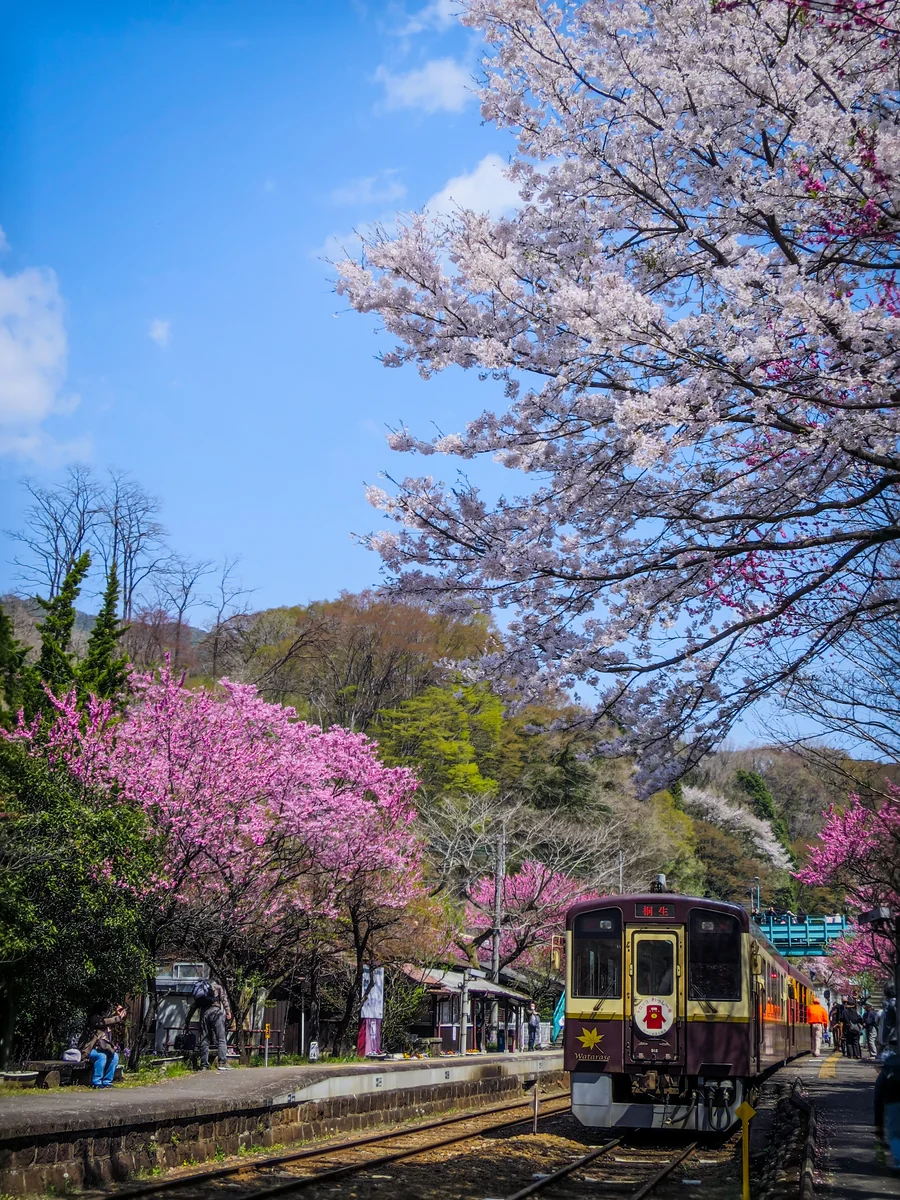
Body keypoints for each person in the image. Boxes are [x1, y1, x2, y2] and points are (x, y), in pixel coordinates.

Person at [185, 977, 233, 1071]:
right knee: (221, 1039)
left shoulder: (202, 991)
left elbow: (193, 1007)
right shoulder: (218, 987)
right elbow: (224, 999)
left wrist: (187, 1021)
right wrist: (228, 1012)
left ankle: (204, 1065)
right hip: (216, 1014)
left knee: (204, 1040)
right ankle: (222, 1062)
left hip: (204, 1015)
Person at [80, 1003, 127, 1088]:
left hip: (101, 1049)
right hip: (88, 1051)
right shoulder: (93, 1019)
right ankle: (97, 1082)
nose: (107, 1013)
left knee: (115, 1056)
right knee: (101, 1056)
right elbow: (106, 1021)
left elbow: (109, 1020)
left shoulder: (103, 1021)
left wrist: (117, 1014)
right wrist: (119, 1017)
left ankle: (107, 1081)